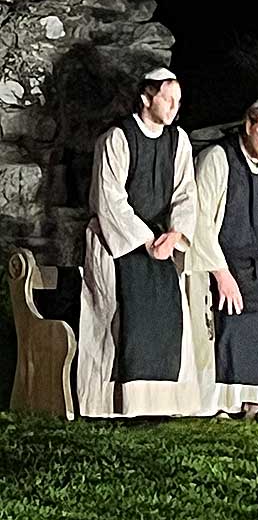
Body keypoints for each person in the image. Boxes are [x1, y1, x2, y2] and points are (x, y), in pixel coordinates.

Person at [78, 68, 200, 418]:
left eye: (178, 101)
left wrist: (175, 234)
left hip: (161, 240)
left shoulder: (178, 141)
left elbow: (186, 194)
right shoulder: (117, 138)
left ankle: (162, 402)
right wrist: (146, 241)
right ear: (147, 98)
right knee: (125, 316)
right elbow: (110, 200)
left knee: (168, 314)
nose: (175, 107)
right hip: (119, 241)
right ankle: (117, 403)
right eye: (168, 99)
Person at [187, 96, 258, 420]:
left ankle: (256, 402)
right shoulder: (217, 159)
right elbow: (200, 219)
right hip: (219, 259)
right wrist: (221, 274)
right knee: (227, 319)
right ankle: (222, 403)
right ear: (249, 125)